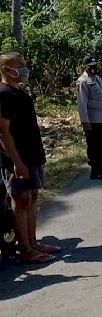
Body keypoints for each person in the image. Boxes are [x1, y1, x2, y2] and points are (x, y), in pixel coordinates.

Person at [0, 52, 60, 263]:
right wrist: (16, 162)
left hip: (32, 154)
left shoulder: (20, 93)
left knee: (32, 198)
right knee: (21, 199)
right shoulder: (3, 94)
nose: (25, 69)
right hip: (18, 158)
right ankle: (25, 250)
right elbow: (3, 133)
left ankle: (34, 244)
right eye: (21, 65)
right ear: (7, 69)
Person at [77, 55, 102, 180]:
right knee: (94, 146)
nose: (94, 68)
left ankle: (101, 168)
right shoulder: (82, 81)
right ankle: (95, 171)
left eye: (95, 65)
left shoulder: (97, 79)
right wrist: (85, 121)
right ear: (85, 66)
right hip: (93, 120)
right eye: (91, 66)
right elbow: (82, 103)